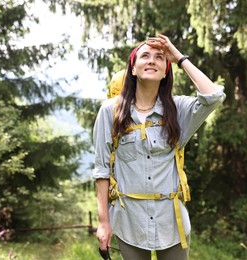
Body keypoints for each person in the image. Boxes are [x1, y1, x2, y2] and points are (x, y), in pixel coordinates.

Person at [92, 34, 226, 260]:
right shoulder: (111, 111)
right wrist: (103, 222)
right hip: (128, 221)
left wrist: (179, 58)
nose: (152, 60)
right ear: (133, 69)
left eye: (159, 58)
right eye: (145, 56)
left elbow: (213, 96)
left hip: (172, 223)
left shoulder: (178, 109)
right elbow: (101, 170)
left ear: (166, 70)